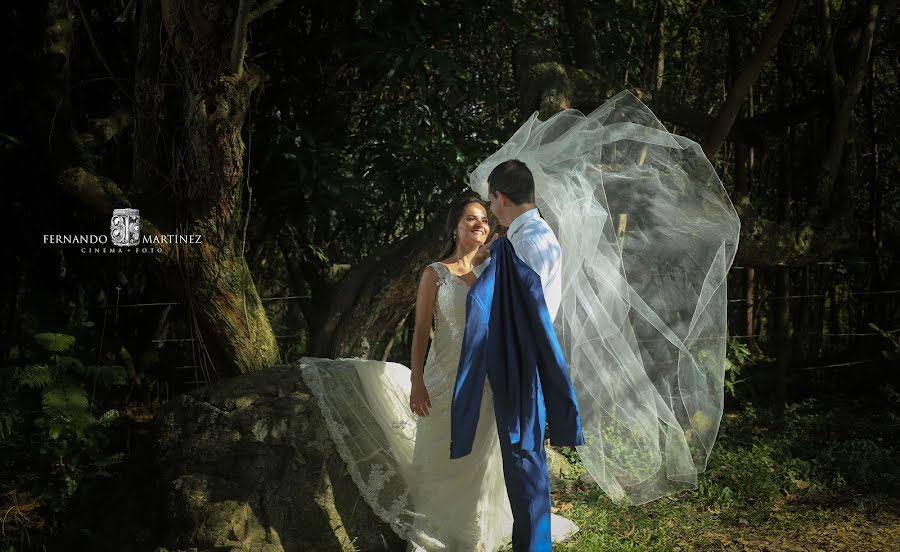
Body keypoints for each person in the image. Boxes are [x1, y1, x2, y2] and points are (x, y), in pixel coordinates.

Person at [300, 193, 580, 552]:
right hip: (443, 376)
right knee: (440, 452)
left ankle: (473, 530)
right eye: (470, 219)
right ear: (454, 227)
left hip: (486, 379)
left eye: (483, 219)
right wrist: (417, 381)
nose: (480, 224)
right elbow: (419, 332)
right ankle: (436, 530)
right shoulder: (435, 273)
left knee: (482, 455)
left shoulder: (496, 265)